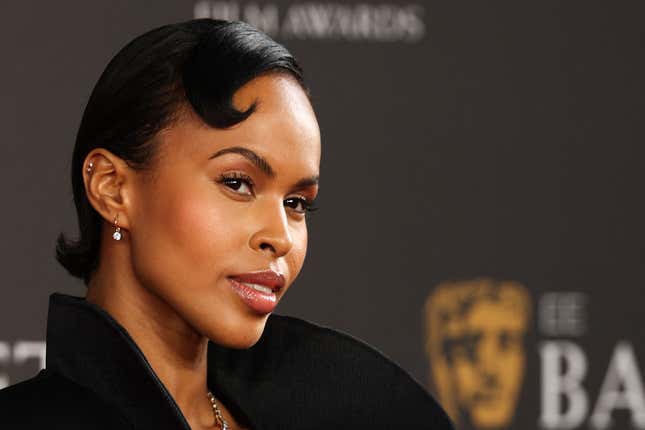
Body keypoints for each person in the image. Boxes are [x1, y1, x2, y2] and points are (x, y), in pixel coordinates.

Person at [0, 19, 454, 429]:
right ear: (112, 188)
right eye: (237, 183)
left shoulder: (352, 409)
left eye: (297, 202)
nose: (279, 236)